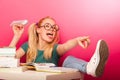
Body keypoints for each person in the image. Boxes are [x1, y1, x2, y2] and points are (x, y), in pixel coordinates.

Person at [9, 16, 109, 77]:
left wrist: (76, 40)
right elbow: (8, 61)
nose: (52, 29)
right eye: (47, 26)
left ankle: (89, 68)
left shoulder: (55, 48)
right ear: (38, 29)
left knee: (68, 60)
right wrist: (16, 36)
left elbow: (66, 46)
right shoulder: (28, 46)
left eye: (54, 28)